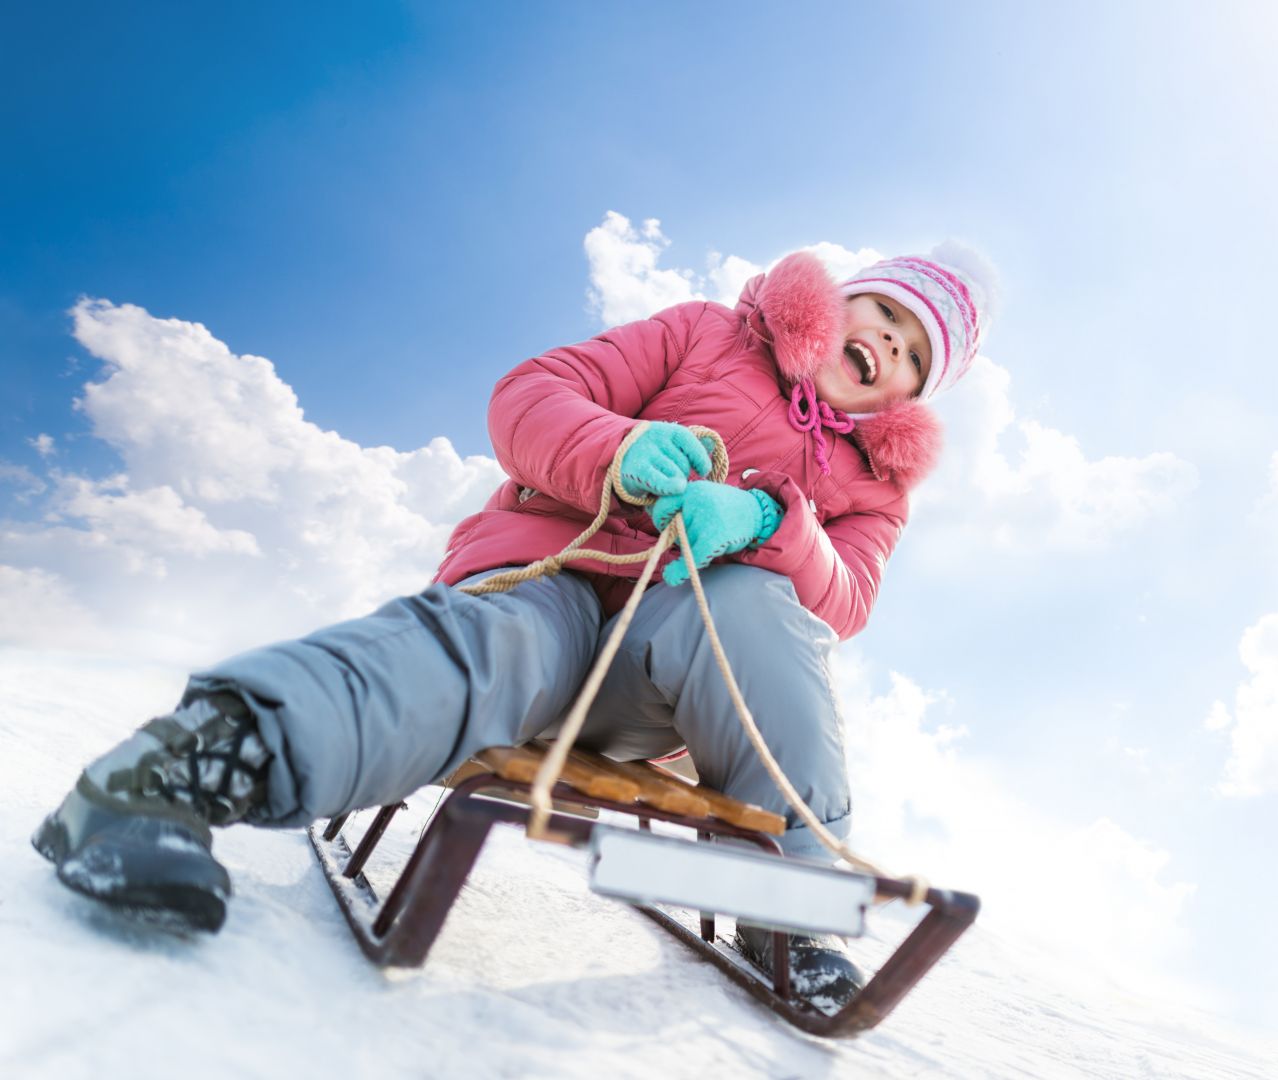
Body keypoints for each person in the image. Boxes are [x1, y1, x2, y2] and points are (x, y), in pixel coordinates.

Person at [32, 244, 996, 1006]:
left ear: (911, 396)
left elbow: (848, 598)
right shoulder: (708, 335)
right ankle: (178, 772)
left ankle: (786, 911)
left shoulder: (874, 490)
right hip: (553, 582)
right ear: (843, 301)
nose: (893, 348)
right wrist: (619, 448)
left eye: (918, 357)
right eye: (889, 315)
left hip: (654, 690)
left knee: (758, 610)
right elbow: (529, 396)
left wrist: (772, 524)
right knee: (502, 642)